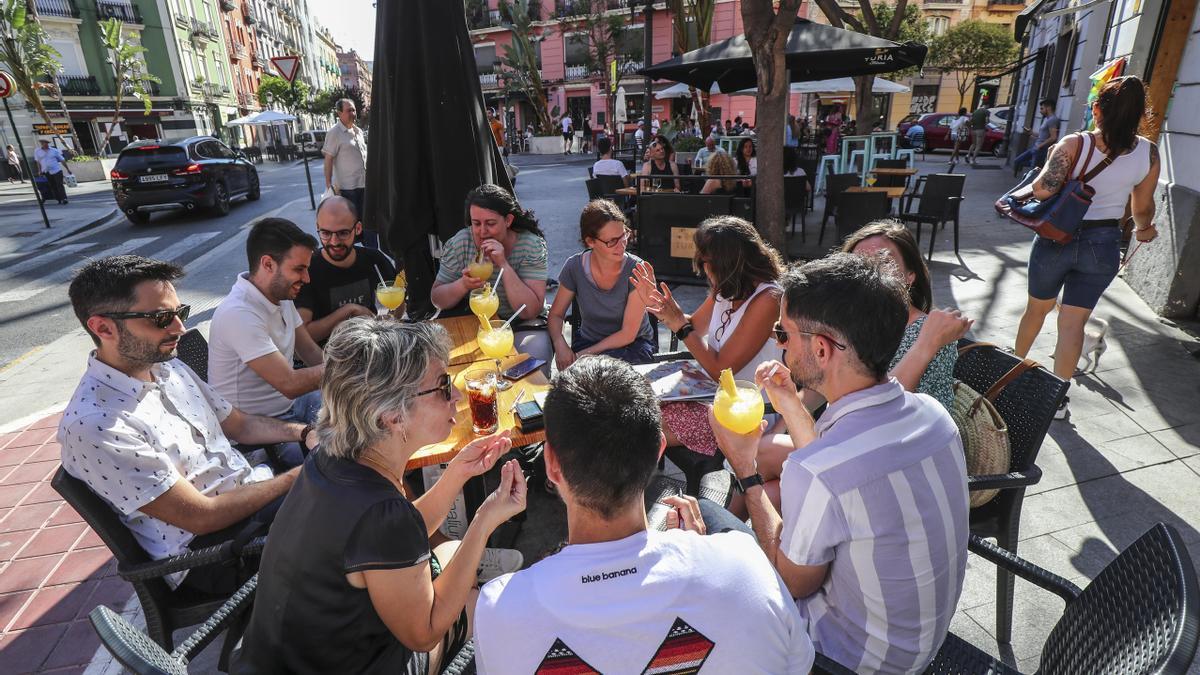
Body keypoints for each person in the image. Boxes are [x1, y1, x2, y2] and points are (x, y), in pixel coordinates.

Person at [474, 356, 815, 674]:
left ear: (551, 464)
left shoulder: (501, 610)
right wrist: (704, 561)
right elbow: (797, 661)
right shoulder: (744, 564)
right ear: (658, 452)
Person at [712, 252, 969, 674]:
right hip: (919, 642)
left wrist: (746, 472)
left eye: (783, 334)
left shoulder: (821, 471)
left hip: (850, 659)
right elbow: (833, 466)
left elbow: (793, 582)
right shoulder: (932, 415)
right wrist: (791, 404)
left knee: (710, 528)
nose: (780, 345)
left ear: (821, 348)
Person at [240, 319, 527, 674]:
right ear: (391, 416)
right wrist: (483, 522)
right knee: (483, 603)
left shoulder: (331, 457)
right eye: (441, 387)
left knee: (454, 552)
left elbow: (395, 536)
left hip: (274, 658)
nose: (456, 395)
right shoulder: (381, 512)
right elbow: (424, 632)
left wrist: (458, 473)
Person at [60, 255, 312, 595]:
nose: (179, 328)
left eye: (181, 312)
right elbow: (202, 517)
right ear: (103, 328)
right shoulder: (96, 424)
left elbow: (241, 427)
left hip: (251, 504)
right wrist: (303, 476)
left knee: (367, 473)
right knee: (360, 507)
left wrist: (306, 433)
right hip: (215, 556)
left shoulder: (167, 367)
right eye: (162, 318)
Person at [1013, 76, 1159, 419]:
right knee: (1073, 324)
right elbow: (1141, 208)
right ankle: (1057, 401)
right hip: (1104, 243)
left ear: (1097, 109)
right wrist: (1145, 229)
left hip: (1056, 237)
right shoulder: (1148, 153)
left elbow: (1043, 190)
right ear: (1140, 114)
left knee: (1037, 309)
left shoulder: (1074, 143)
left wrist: (1051, 160)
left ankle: (1012, 371)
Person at [631, 216, 783, 456]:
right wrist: (658, 303)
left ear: (726, 263)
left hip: (747, 413)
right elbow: (694, 327)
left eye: (704, 260)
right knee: (631, 406)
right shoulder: (728, 287)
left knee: (640, 427)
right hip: (712, 396)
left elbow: (722, 369)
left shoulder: (768, 298)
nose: (701, 267)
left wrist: (681, 325)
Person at [842, 221, 972, 409]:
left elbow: (883, 408)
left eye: (884, 261)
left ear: (910, 275)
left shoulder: (928, 332)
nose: (870, 271)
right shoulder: (851, 324)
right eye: (859, 263)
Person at [209, 218, 325, 425]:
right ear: (268, 264)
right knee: (352, 442)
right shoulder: (239, 313)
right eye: (299, 269)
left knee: (368, 411)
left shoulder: (280, 294)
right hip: (254, 429)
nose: (307, 279)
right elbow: (290, 384)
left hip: (291, 407)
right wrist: (351, 368)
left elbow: (310, 352)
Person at [430, 184, 552, 366]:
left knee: (535, 354)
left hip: (521, 323)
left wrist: (504, 264)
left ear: (508, 220)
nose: (482, 232)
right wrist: (463, 285)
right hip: (476, 321)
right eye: (476, 223)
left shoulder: (531, 245)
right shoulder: (461, 243)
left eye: (490, 223)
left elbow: (529, 311)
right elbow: (437, 299)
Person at [548, 200, 655, 369]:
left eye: (624, 235)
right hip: (589, 341)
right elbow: (555, 315)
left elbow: (628, 334)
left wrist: (582, 355)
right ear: (590, 242)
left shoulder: (637, 269)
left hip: (633, 346)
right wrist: (559, 343)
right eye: (612, 241)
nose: (622, 245)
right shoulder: (574, 267)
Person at [296, 196, 397, 344]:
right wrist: (349, 311)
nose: (334, 242)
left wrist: (392, 313)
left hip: (373, 348)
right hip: (326, 357)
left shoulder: (374, 260)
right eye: (325, 233)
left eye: (343, 233)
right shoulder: (307, 270)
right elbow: (303, 337)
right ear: (317, 227)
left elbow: (397, 310)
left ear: (357, 229)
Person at [322, 98, 373, 248]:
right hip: (348, 189)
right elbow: (328, 160)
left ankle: (371, 252)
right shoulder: (334, 133)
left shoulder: (357, 131)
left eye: (354, 110)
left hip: (364, 185)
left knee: (368, 223)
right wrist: (328, 185)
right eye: (348, 110)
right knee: (351, 225)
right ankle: (354, 253)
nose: (353, 113)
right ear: (339, 113)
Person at [1014, 99, 1061, 175]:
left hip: (1041, 149)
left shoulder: (1053, 120)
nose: (1040, 111)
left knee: (1033, 172)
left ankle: (1033, 180)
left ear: (1048, 108)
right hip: (1035, 147)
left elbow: (1053, 137)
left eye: (1042, 108)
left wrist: (1040, 146)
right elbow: (1042, 134)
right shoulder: (1046, 119)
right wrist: (1031, 133)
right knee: (1018, 161)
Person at [33, 138, 70, 204]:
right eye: (43, 143)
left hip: (57, 170)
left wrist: (67, 169)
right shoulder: (37, 151)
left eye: (46, 143)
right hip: (46, 171)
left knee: (59, 184)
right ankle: (59, 199)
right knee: (52, 185)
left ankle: (64, 198)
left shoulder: (54, 150)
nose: (45, 144)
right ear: (41, 144)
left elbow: (62, 160)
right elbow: (38, 162)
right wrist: (39, 170)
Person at [966, 98, 990, 164]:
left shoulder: (975, 111)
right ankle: (973, 160)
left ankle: (968, 156)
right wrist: (985, 123)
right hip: (981, 130)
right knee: (978, 146)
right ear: (987, 105)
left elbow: (970, 121)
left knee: (973, 144)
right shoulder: (986, 111)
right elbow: (987, 121)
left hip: (973, 130)